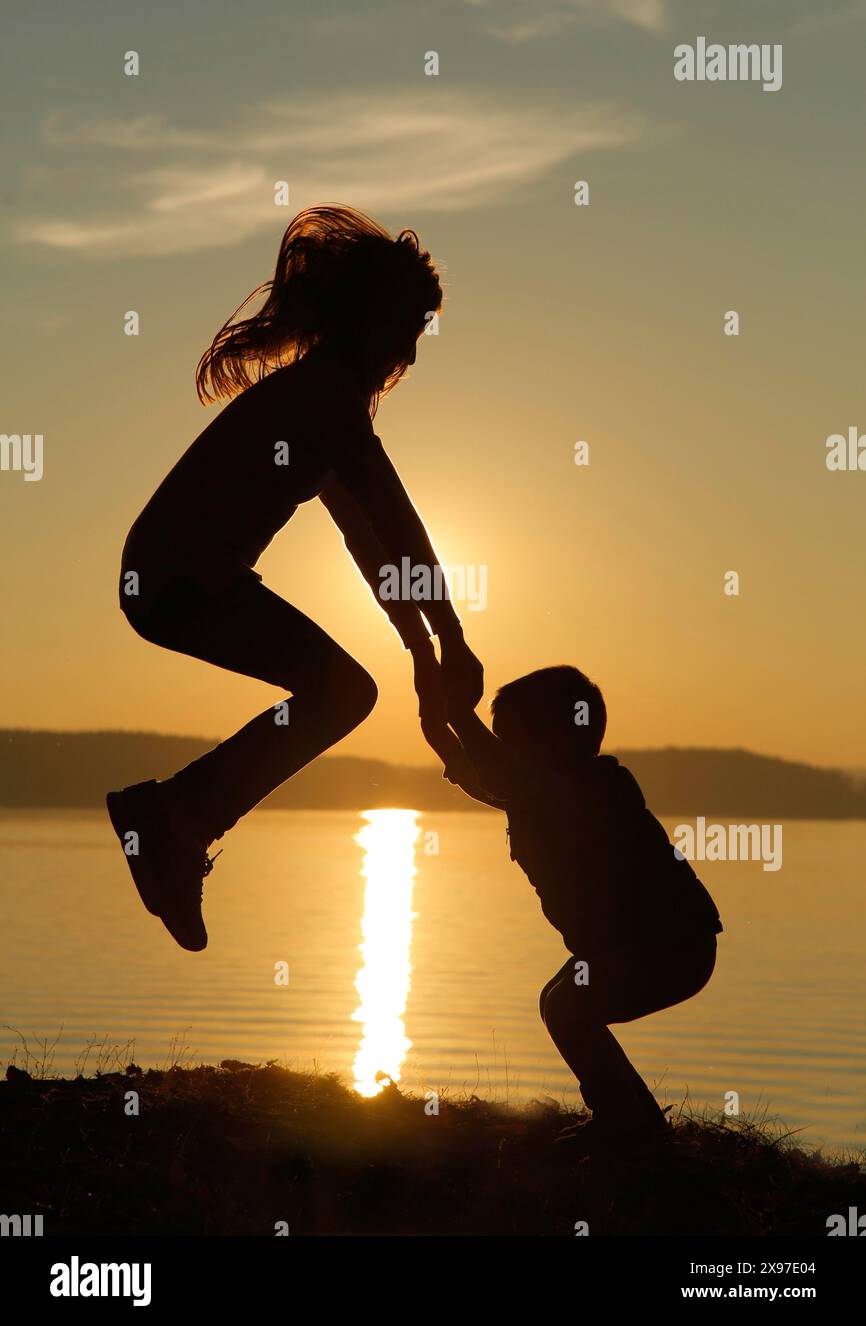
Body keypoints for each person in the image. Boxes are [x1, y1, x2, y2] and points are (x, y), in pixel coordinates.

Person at [107, 204, 482, 952]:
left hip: (179, 579)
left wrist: (422, 655)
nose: (410, 351)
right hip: (176, 581)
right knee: (342, 693)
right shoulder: (325, 400)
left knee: (343, 692)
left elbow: (369, 542)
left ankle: (172, 821)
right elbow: (397, 521)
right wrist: (451, 637)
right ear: (373, 320)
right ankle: (170, 820)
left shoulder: (324, 403)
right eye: (408, 330)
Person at [433, 664, 723, 1149]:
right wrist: (462, 765)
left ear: (559, 742)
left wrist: (460, 717)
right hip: (640, 946)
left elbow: (514, 785)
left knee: (569, 1007)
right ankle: (637, 1121)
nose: (504, 752)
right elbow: (510, 790)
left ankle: (626, 1126)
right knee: (559, 1000)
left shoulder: (596, 788)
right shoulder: (549, 791)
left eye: (512, 741)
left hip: (672, 948)